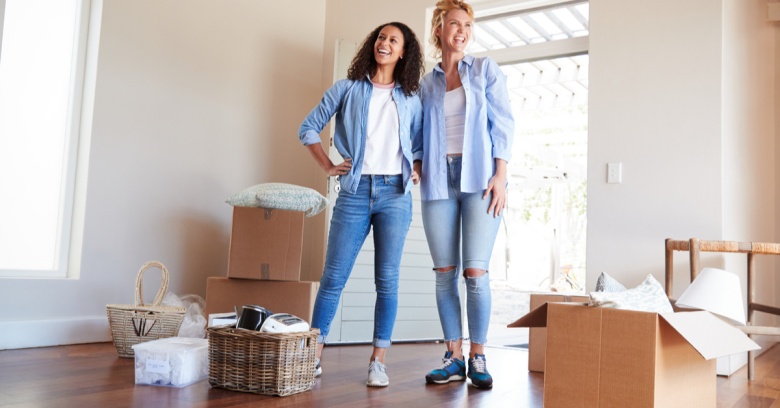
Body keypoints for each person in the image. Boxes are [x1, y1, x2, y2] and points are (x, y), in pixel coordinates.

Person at [298, 21, 424, 387]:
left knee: (387, 281)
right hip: (354, 191)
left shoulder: (411, 100)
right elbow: (308, 128)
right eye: (381, 37)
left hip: (395, 196)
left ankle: (378, 361)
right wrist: (328, 165)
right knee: (333, 277)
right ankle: (314, 355)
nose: (385, 43)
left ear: (403, 53)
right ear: (373, 44)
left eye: (393, 40)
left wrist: (415, 167)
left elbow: (419, 145)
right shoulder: (347, 89)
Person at [412, 0, 514, 389]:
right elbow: (418, 131)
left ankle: (478, 355)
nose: (462, 31)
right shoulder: (427, 82)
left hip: (481, 180)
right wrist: (418, 162)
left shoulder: (485, 70)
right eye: (454, 24)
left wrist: (501, 174)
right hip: (439, 180)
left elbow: (503, 122)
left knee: (475, 271)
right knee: (444, 273)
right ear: (439, 30)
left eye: (468, 25)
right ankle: (453, 356)